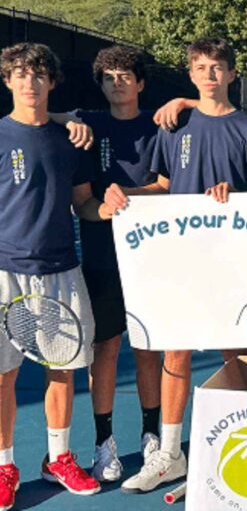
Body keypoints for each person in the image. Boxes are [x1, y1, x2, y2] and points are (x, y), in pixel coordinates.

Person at [104, 37, 247, 493]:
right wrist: (124, 195)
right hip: (180, 260)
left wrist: (236, 198)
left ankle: (244, 439)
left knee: (235, 353)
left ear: (232, 74)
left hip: (233, 263)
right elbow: (162, 185)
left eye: (217, 67)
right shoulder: (174, 124)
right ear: (191, 74)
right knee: (175, 351)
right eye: (200, 67)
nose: (209, 74)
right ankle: (172, 453)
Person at [0, 42, 114, 508]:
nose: (30, 83)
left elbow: (83, 202)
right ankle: (5, 464)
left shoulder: (71, 139)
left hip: (61, 270)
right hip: (4, 271)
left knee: (62, 369)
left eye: (39, 75)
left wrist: (106, 208)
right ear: (8, 80)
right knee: (2, 375)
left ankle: (59, 457)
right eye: (21, 75)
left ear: (51, 83)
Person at [48, 45, 164, 483]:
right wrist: (68, 120)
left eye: (125, 75)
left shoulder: (159, 126)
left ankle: (152, 437)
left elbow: (168, 185)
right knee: (107, 349)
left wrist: (132, 196)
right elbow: (81, 202)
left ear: (140, 83)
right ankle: (104, 444)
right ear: (100, 84)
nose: (118, 82)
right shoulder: (87, 125)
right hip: (101, 257)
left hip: (154, 257)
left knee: (150, 346)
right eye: (109, 76)